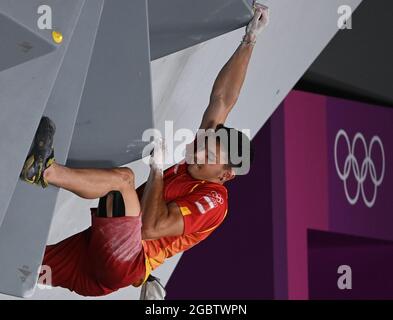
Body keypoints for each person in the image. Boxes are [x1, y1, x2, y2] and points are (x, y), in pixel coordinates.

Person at [20, 5, 269, 296]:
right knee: (21, 264)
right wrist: (249, 40)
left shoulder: (215, 200)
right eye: (202, 144)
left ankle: (44, 170)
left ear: (226, 175)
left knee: (123, 180)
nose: (197, 152)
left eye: (209, 156)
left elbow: (151, 228)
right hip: (98, 261)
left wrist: (157, 170)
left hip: (125, 261)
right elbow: (222, 100)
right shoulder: (202, 156)